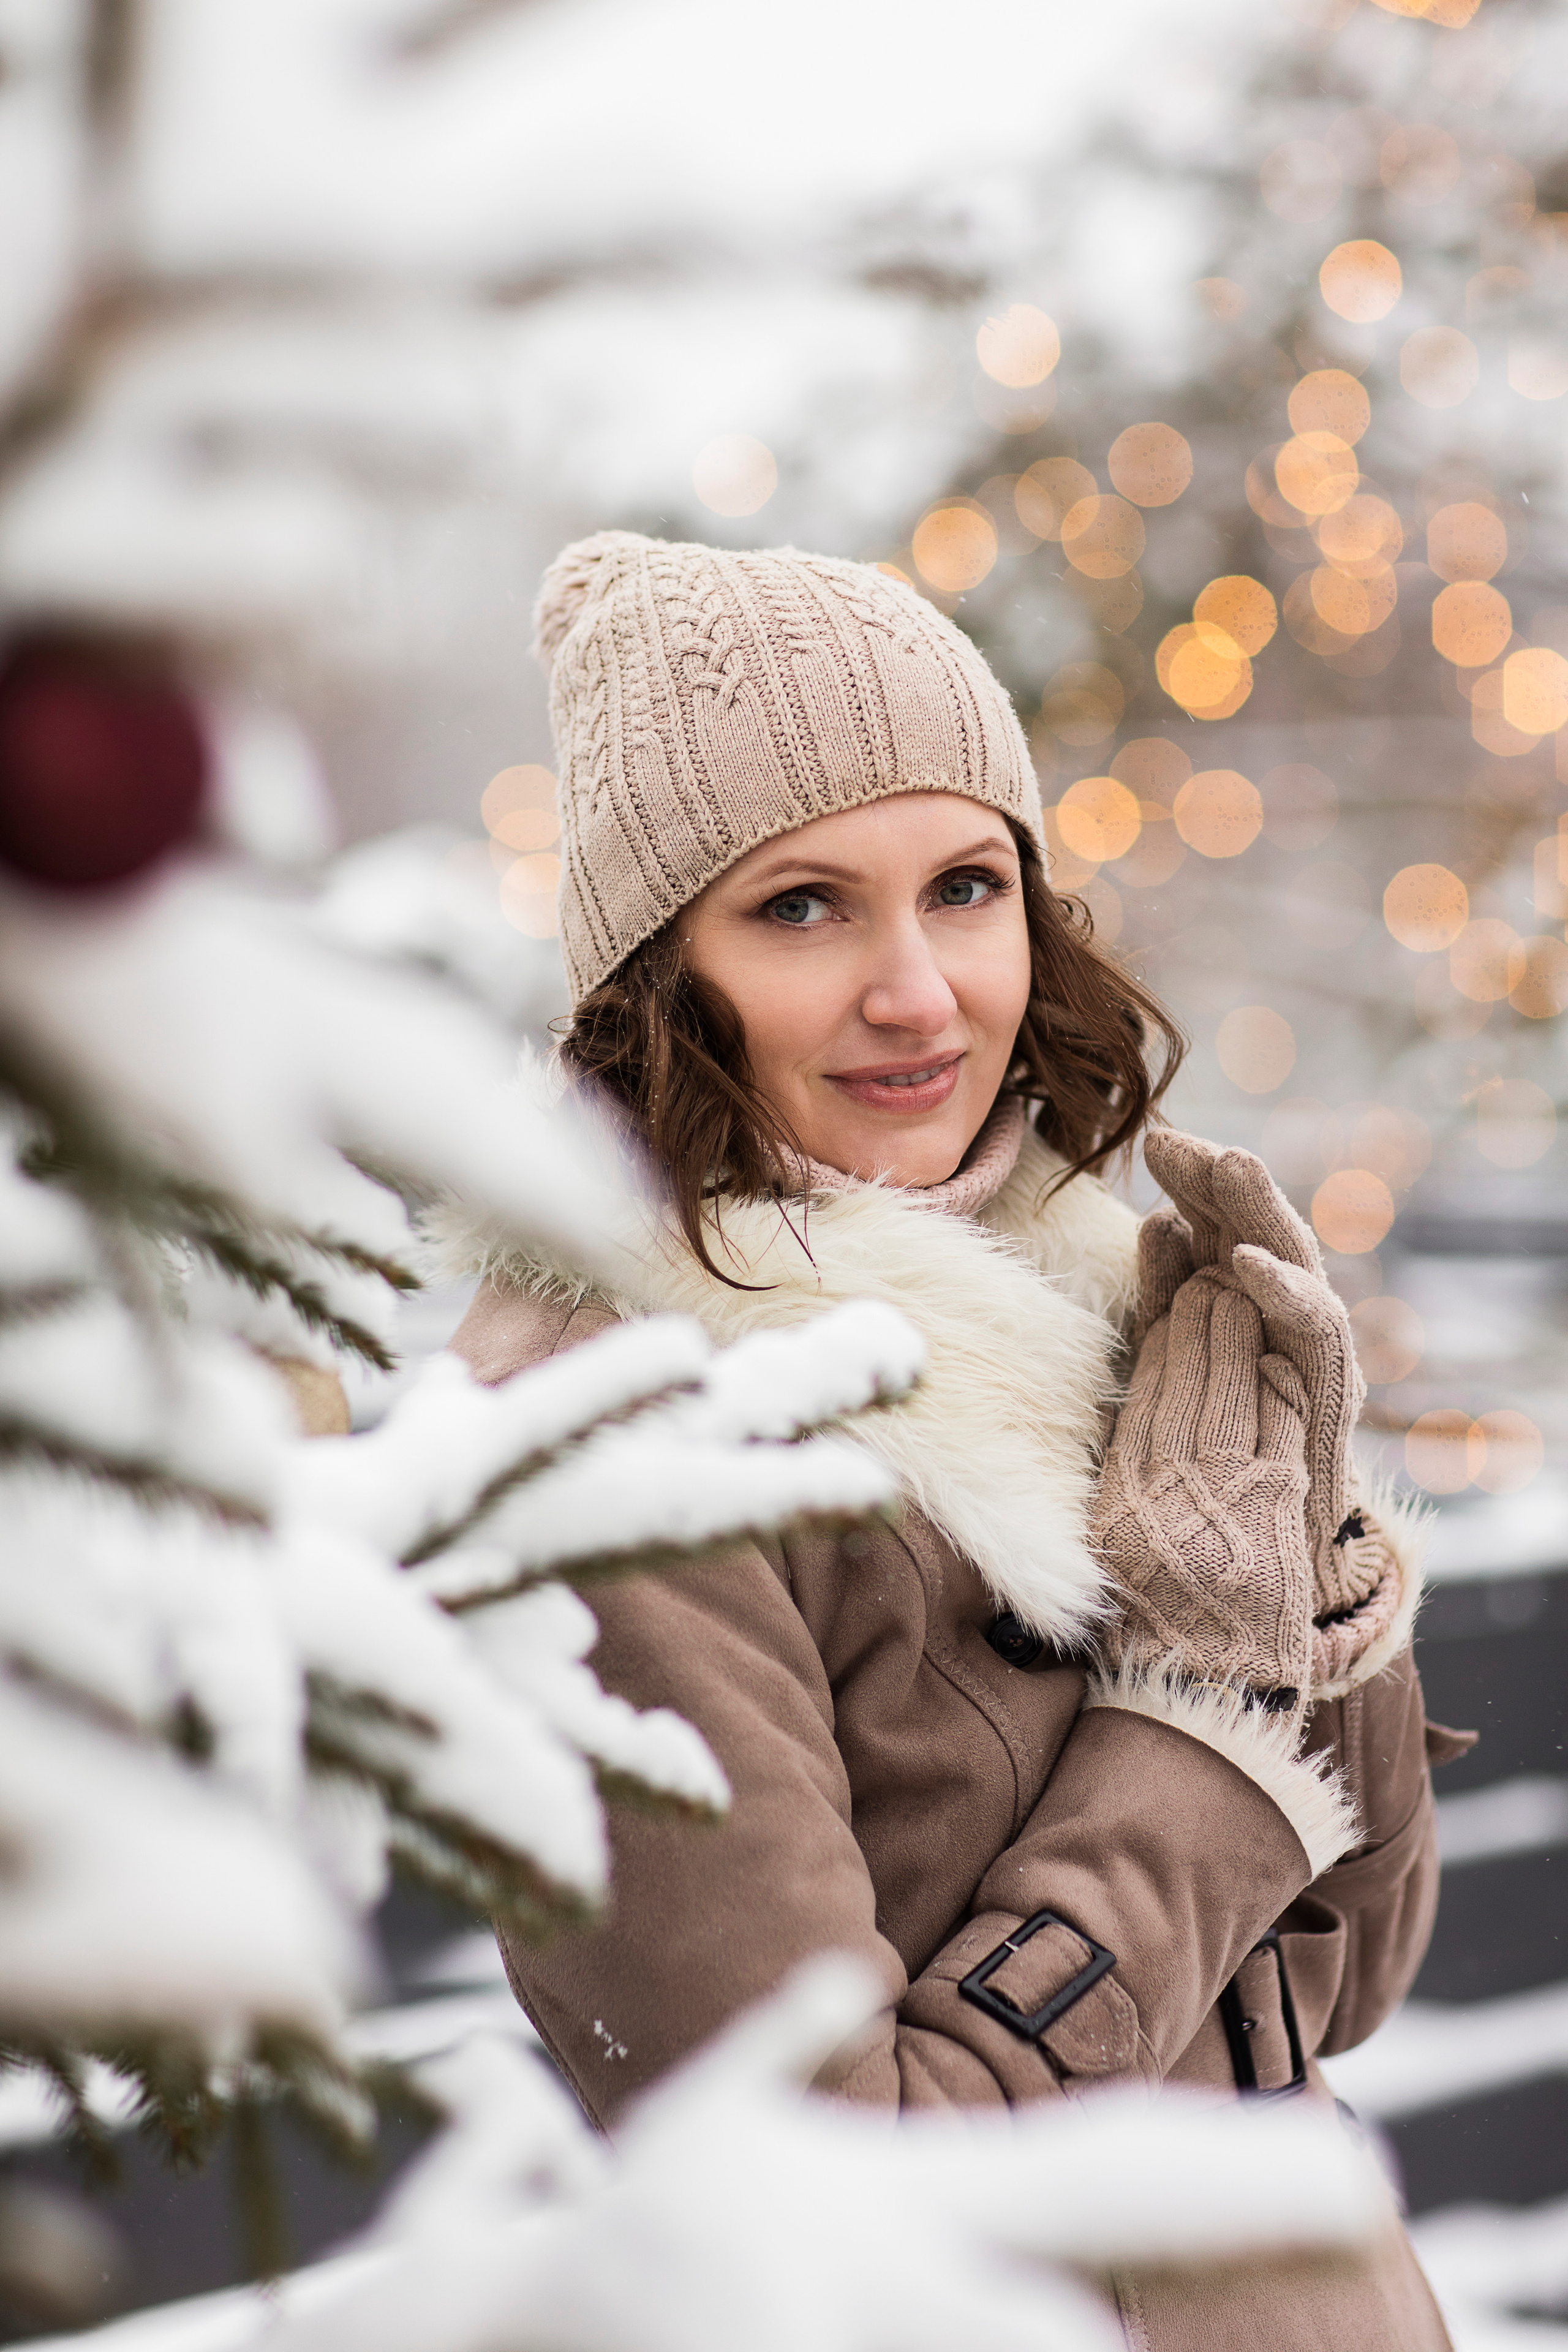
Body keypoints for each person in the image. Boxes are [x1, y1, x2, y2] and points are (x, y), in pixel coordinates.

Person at [449, 529, 1464, 2350]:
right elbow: (837, 2184)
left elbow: (1349, 1983)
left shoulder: (1099, 1296)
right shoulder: (627, 1451)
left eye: (967, 887)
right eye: (803, 907)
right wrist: (1196, 1718)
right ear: (656, 978)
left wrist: (1313, 1569)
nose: (919, 992)